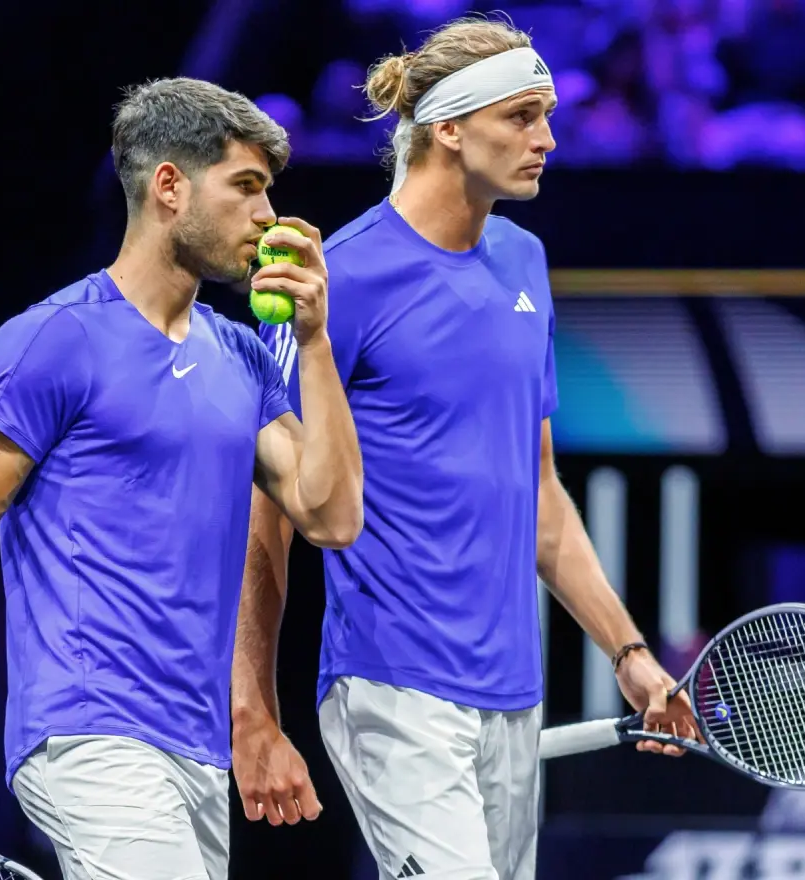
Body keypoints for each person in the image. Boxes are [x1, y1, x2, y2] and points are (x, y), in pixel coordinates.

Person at [233, 16, 698, 880]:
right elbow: (271, 518)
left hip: (515, 701)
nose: (548, 140)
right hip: (393, 690)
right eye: (523, 116)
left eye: (547, 115)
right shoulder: (339, 278)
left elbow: (541, 495)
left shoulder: (524, 262)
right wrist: (252, 711)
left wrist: (629, 655)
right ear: (449, 128)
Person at [0, 76, 363, 880]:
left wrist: (313, 342)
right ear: (168, 186)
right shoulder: (53, 342)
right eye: (245, 187)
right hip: (88, 734)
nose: (268, 217)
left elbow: (332, 515)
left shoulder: (243, 358)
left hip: (198, 755)